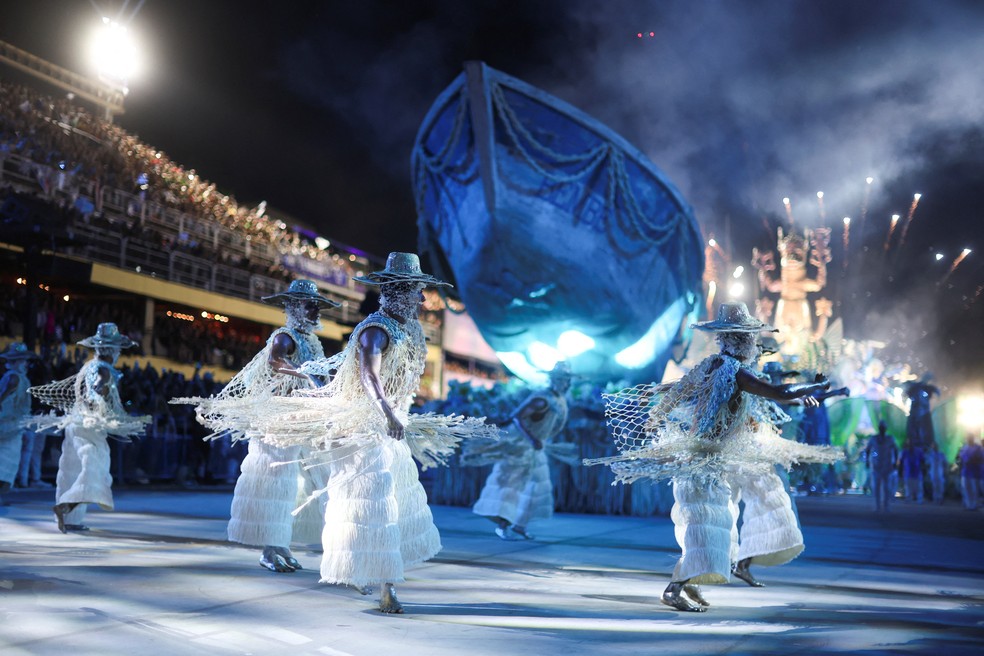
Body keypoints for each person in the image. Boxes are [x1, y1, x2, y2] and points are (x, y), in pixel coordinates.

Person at [252, 253, 495, 613]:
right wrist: (386, 411)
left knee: (381, 500)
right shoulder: (374, 331)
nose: (421, 299)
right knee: (367, 500)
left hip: (382, 427)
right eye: (415, 291)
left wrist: (397, 412)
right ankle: (381, 581)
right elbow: (369, 375)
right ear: (396, 291)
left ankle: (366, 570)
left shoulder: (406, 330)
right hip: (362, 429)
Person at [586, 302, 838, 612]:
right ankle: (674, 589)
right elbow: (779, 392)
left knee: (715, 529)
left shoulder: (712, 364)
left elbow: (679, 387)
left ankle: (690, 584)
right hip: (702, 463)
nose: (755, 344)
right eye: (752, 338)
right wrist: (816, 384)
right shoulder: (735, 372)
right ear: (741, 340)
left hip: (708, 462)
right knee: (706, 532)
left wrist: (658, 405)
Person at [176, 279, 339, 572]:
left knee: (301, 486)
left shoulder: (313, 341)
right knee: (277, 484)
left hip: (302, 421)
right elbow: (275, 360)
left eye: (317, 306)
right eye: (310, 305)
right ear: (293, 307)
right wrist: (305, 375)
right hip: (279, 423)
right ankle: (270, 549)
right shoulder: (284, 336)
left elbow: (319, 375)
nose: (316, 311)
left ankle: (282, 545)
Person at [28, 323, 150, 532]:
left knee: (73, 469)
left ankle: (71, 518)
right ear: (112, 350)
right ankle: (65, 508)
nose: (118, 353)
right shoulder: (104, 370)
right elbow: (96, 390)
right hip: (89, 427)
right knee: (95, 471)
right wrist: (97, 402)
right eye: (117, 349)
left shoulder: (88, 366)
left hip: (76, 423)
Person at [469, 362, 573, 540]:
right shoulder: (542, 399)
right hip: (522, 448)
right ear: (553, 380)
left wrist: (539, 440)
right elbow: (518, 417)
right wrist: (532, 438)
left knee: (537, 487)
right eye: (561, 379)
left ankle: (520, 525)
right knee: (512, 485)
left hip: (536, 448)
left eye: (566, 379)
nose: (564, 383)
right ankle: (503, 526)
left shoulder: (559, 399)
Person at [0, 343, 37, 491]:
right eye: (22, 360)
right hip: (9, 428)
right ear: (15, 362)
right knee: (5, 466)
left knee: (7, 467)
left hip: (12, 427)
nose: (26, 364)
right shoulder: (14, 377)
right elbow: (10, 387)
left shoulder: (16, 376)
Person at [864, 420, 900, 512]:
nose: (882, 429)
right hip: (876, 466)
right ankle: (877, 506)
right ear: (879, 428)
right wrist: (867, 461)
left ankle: (886, 506)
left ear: (885, 429)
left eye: (883, 428)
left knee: (887, 487)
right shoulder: (874, 439)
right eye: (881, 427)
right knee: (876, 487)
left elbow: (896, 450)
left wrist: (895, 462)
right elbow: (868, 450)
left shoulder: (890, 439)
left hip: (887, 466)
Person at [904, 374, 939, 449]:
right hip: (916, 413)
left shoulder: (927, 388)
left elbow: (937, 391)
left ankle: (925, 444)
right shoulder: (917, 387)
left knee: (924, 429)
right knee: (914, 430)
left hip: (923, 413)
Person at [957, 435, 982, 511]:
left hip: (974, 472)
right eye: (967, 438)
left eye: (970, 438)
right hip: (965, 472)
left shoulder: (978, 448)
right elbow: (960, 458)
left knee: (974, 489)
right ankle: (968, 505)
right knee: (966, 488)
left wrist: (973, 460)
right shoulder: (964, 447)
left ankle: (974, 505)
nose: (968, 440)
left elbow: (981, 458)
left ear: (973, 439)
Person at [899, 438, 925, 503]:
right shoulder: (904, 451)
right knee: (908, 486)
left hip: (917, 472)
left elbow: (922, 461)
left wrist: (923, 469)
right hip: (908, 472)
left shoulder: (919, 451)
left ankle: (919, 499)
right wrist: (900, 471)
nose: (910, 444)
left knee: (918, 487)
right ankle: (909, 498)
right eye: (909, 442)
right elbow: (901, 461)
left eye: (911, 442)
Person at [926, 441, 947, 505]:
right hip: (932, 473)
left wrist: (945, 471)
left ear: (938, 447)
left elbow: (945, 463)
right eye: (933, 446)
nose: (934, 447)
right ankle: (935, 498)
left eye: (936, 446)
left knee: (940, 486)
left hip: (940, 473)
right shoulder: (930, 455)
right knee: (934, 486)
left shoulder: (941, 454)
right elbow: (927, 464)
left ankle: (940, 498)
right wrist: (928, 472)